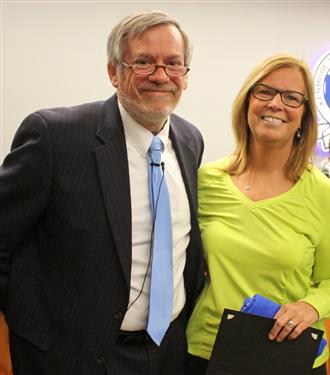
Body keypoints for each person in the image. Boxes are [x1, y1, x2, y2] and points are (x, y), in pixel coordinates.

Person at [0, 10, 206, 375]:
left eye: (173, 63)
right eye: (143, 62)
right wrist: (24, 326)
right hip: (68, 358)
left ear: (185, 76)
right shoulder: (55, 136)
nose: (161, 76)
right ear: (114, 72)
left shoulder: (190, 141)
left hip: (167, 354)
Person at [185, 53, 330, 374]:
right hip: (206, 352)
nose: (276, 104)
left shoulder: (323, 193)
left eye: (292, 97)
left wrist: (310, 307)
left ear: (304, 116)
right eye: (265, 91)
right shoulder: (206, 180)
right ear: (248, 102)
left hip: (287, 356)